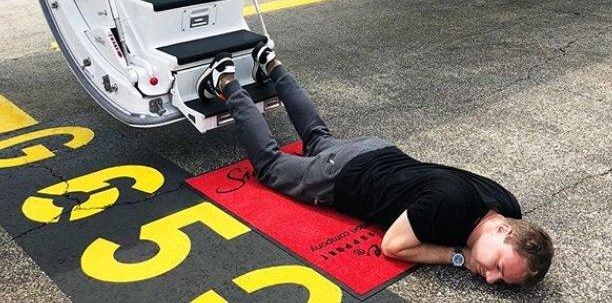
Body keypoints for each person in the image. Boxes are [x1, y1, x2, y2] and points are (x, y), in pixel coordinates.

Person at [197, 42, 554, 287]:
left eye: (500, 280)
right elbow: (393, 246)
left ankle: (270, 63)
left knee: (317, 135)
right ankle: (226, 82)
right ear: (502, 232)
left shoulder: (508, 207)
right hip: (342, 176)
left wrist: (484, 257)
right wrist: (458, 256)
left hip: (379, 151)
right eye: (499, 267)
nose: (490, 277)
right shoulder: (449, 207)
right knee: (271, 166)